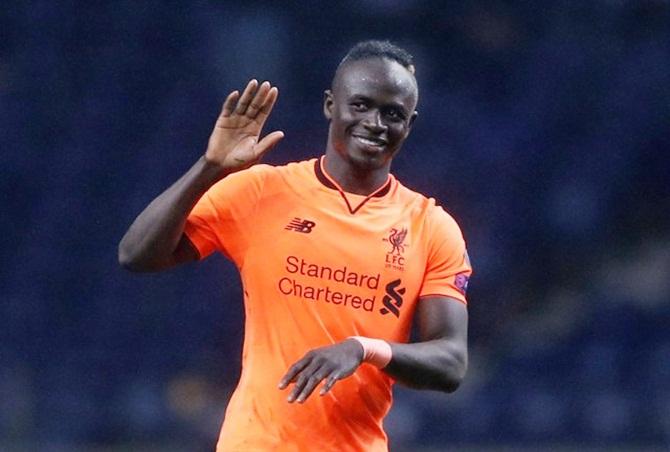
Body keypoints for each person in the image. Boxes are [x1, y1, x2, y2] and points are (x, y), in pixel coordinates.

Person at [119, 40, 472, 452]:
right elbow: (137, 255)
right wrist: (209, 168)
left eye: (392, 114)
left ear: (408, 125)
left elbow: (450, 362)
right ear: (330, 105)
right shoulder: (262, 191)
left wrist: (364, 349)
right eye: (360, 105)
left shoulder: (431, 227)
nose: (375, 122)